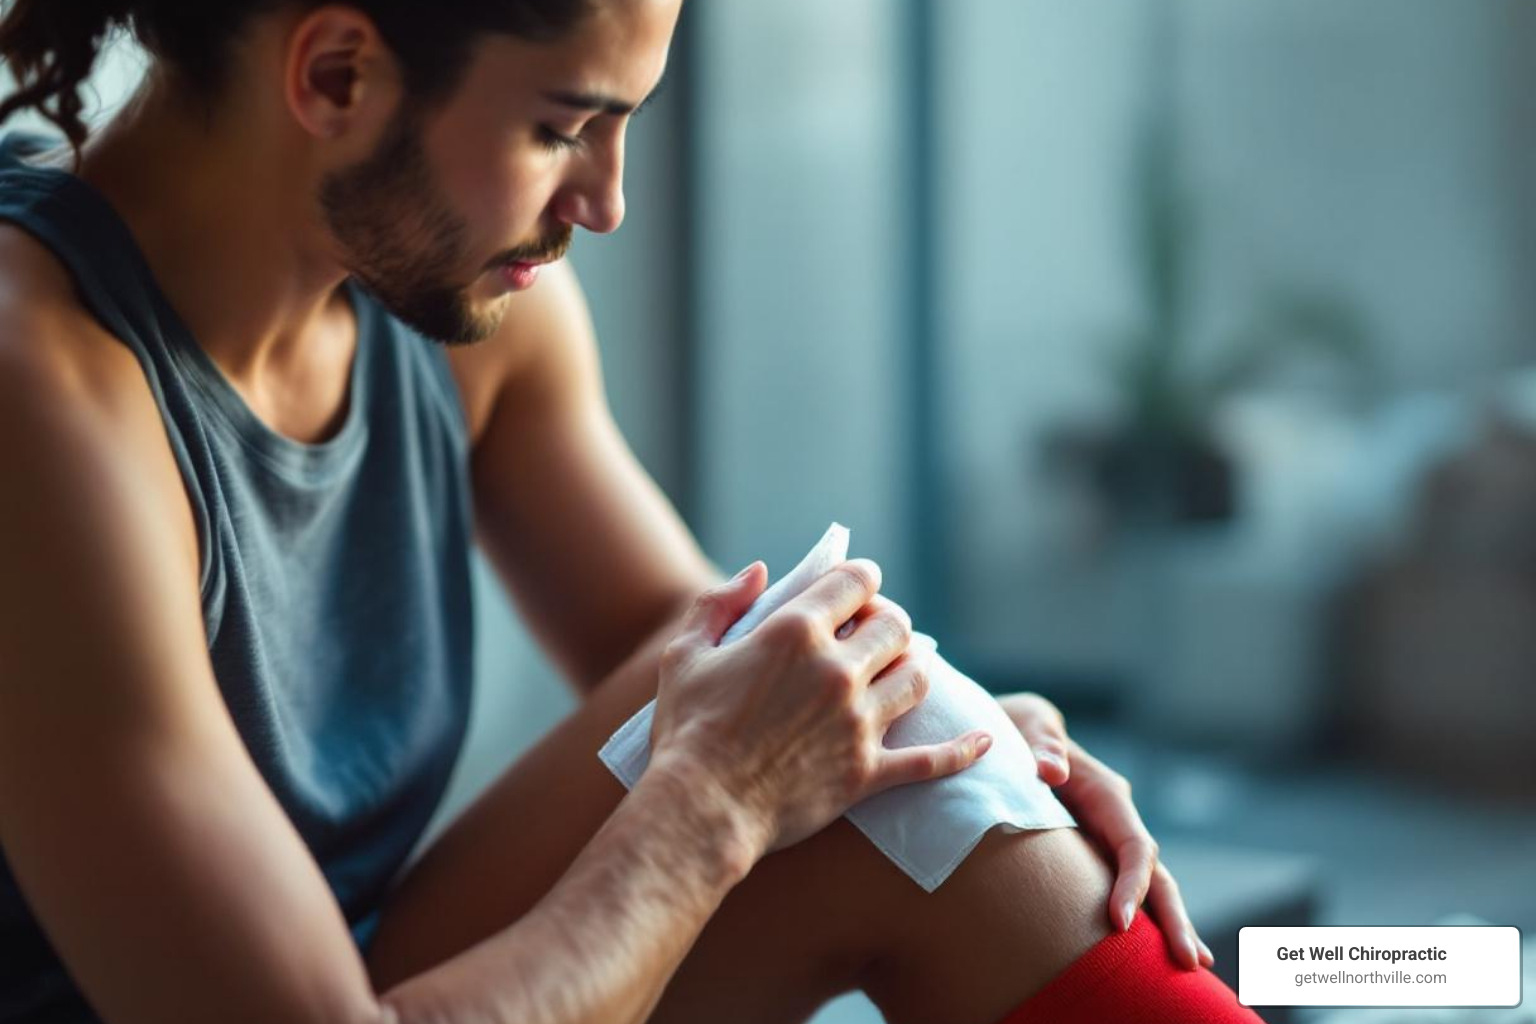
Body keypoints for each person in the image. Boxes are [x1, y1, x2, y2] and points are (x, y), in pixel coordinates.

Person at [0, 1, 1260, 1022]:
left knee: (889, 738)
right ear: (335, 75)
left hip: (356, 970)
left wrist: (933, 711)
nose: (601, 202)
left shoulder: (452, 300)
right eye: (564, 129)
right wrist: (706, 814)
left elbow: (696, 632)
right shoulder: (40, 386)